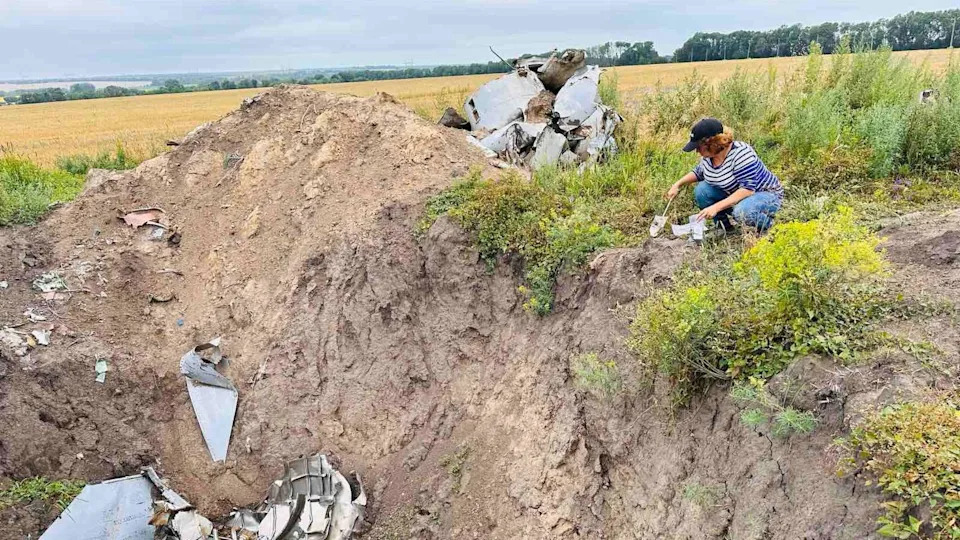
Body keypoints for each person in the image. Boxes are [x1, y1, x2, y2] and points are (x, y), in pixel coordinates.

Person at [666, 118, 783, 233]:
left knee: (742, 212)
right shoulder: (709, 157)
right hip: (735, 195)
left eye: (698, 147)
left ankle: (774, 226)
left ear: (711, 143)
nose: (697, 151)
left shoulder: (741, 153)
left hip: (765, 194)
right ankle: (724, 228)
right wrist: (677, 184)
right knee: (701, 190)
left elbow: (747, 190)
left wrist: (715, 208)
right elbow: (698, 173)